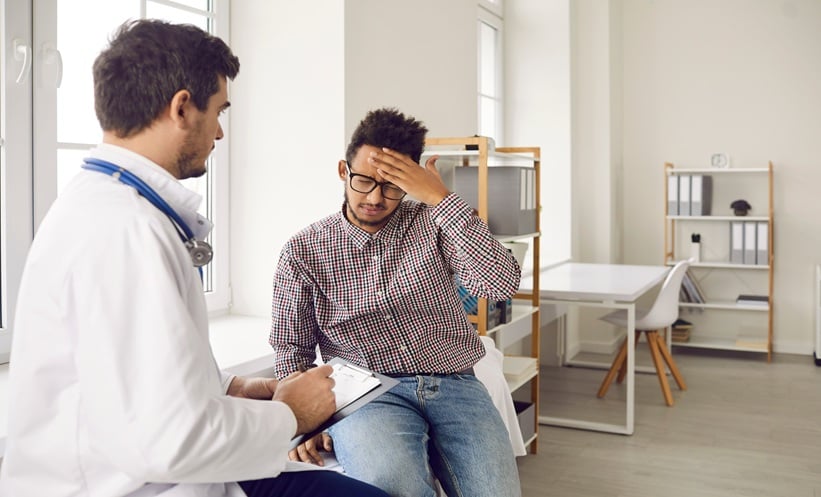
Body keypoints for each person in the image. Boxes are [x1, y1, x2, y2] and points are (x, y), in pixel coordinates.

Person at [0, 19, 389, 497]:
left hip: (179, 464)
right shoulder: (123, 232)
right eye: (219, 111)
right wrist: (292, 415)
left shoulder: (114, 208)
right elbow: (167, 436)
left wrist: (232, 388)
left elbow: (140, 374)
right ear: (182, 107)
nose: (220, 132)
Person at [269, 107, 523, 497]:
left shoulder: (435, 222)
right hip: (366, 395)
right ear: (342, 171)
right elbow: (292, 346)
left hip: (455, 384)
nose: (374, 198)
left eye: (391, 185)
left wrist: (441, 198)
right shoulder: (303, 250)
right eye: (364, 181)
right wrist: (300, 421)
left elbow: (501, 282)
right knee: (397, 491)